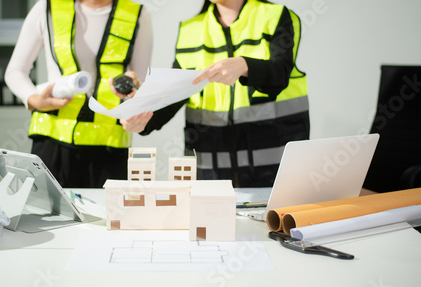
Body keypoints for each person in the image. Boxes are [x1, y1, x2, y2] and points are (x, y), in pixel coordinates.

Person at [127, 0, 309, 187]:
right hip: (209, 168)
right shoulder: (191, 29)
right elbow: (176, 93)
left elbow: (280, 72)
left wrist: (244, 66)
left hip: (274, 163)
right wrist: (143, 117)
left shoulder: (275, 15)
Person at [5, 0, 153, 188]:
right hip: (53, 142)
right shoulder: (48, 7)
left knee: (106, 217)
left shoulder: (137, 14)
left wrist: (134, 93)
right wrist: (35, 100)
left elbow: (141, 84)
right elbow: (15, 70)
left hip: (109, 148)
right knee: (49, 216)